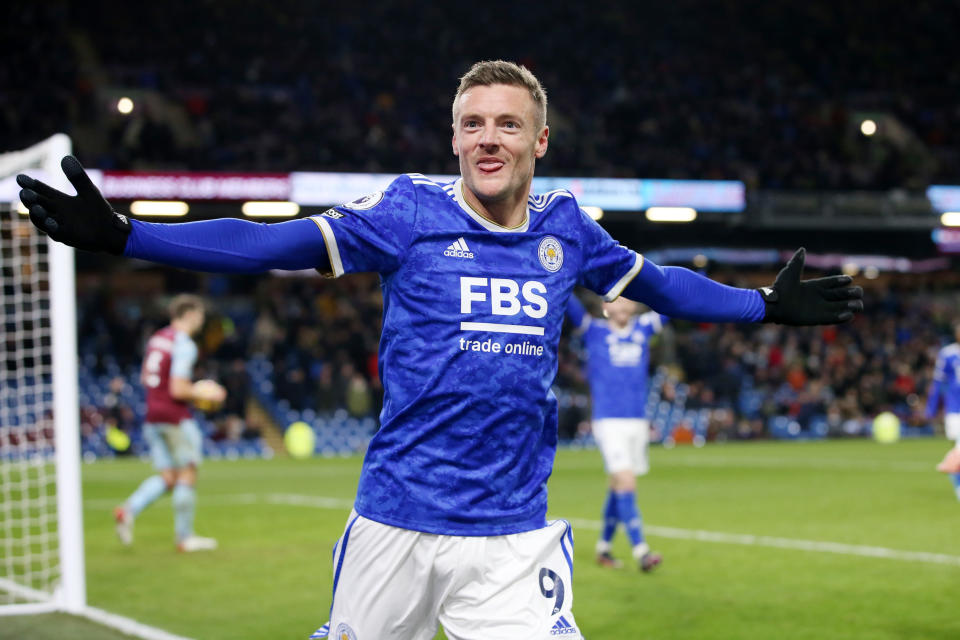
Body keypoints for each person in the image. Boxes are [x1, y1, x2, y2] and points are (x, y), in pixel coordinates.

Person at [17, 60, 862, 640]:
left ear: (539, 143)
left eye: (507, 124)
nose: (487, 137)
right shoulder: (406, 214)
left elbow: (662, 286)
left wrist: (760, 306)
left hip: (511, 537)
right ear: (454, 138)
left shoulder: (569, 228)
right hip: (395, 523)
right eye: (471, 124)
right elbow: (269, 244)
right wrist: (129, 236)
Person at [112, 294, 227, 552]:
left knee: (168, 476)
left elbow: (148, 378)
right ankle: (185, 538)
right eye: (200, 316)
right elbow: (177, 388)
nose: (202, 321)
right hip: (174, 416)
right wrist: (206, 392)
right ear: (190, 315)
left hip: (152, 413)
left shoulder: (157, 339)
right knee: (188, 472)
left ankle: (128, 510)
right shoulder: (184, 343)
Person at [566, 293, 665, 572]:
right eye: (615, 300)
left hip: (637, 420)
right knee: (626, 480)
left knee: (618, 485)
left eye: (626, 299)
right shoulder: (593, 331)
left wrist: (700, 273)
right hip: (608, 420)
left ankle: (604, 548)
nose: (621, 305)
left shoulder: (644, 327)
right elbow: (572, 306)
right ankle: (641, 550)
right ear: (605, 306)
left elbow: (672, 304)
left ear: (634, 303)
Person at [926, 322, 960, 494]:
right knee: (956, 444)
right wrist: (931, 408)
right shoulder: (948, 354)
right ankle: (958, 483)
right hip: (955, 408)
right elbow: (938, 382)